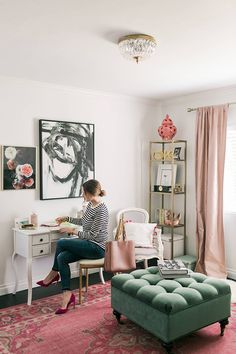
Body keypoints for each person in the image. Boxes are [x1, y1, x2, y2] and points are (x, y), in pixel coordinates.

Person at [37, 179, 109, 314]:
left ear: (89, 193)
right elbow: (83, 221)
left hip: (97, 248)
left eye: (83, 192)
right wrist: (67, 219)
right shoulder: (90, 205)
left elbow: (93, 235)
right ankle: (67, 295)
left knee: (61, 242)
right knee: (62, 258)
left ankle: (53, 273)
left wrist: (72, 231)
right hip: (87, 244)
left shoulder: (102, 210)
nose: (82, 195)